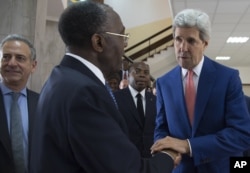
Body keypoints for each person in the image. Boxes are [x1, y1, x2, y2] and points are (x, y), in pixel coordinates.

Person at [29, 1, 181, 173]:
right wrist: (168, 155)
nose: (125, 45)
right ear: (99, 42)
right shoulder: (84, 94)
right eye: (122, 37)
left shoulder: (61, 79)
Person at [150, 8, 250, 173]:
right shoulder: (163, 83)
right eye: (178, 39)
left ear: (205, 43)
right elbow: (161, 128)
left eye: (191, 41)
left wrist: (188, 146)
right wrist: (166, 150)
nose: (183, 47)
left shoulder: (228, 78)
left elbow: (241, 134)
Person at [0, 34, 39, 173]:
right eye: (6, 57)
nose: (11, 63)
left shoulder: (42, 104)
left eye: (20, 58)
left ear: (33, 66)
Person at [114, 62, 156, 158]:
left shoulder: (155, 100)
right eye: (137, 72)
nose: (142, 75)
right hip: (125, 158)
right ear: (128, 76)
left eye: (146, 73)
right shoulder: (116, 98)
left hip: (150, 158)